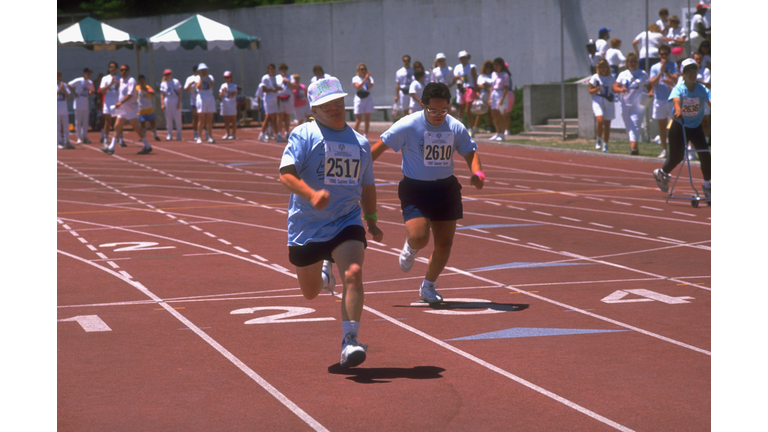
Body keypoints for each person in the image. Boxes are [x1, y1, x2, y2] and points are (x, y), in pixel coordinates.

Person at [278, 76, 383, 368]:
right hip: (307, 225)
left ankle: (350, 341)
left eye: (339, 102)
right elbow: (285, 174)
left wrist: (371, 219)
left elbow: (368, 185)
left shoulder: (360, 143)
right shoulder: (304, 135)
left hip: (346, 220)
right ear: (314, 109)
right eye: (327, 105)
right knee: (310, 293)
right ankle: (325, 276)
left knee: (353, 272)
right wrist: (312, 195)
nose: (336, 109)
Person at [370, 82, 484, 304]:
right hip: (415, 189)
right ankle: (412, 246)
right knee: (420, 237)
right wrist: (358, 173)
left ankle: (428, 286)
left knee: (444, 244)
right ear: (423, 105)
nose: (439, 115)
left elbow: (470, 152)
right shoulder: (408, 125)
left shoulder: (455, 127)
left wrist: (478, 173)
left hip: (446, 189)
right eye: (433, 110)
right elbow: (377, 148)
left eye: (444, 110)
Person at [652, 58, 711, 199]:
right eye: (688, 71)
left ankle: (708, 186)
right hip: (680, 125)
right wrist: (678, 110)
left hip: (696, 127)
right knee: (677, 156)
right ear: (682, 73)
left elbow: (710, 100)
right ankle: (661, 172)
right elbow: (676, 100)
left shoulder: (702, 89)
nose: (692, 73)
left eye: (694, 70)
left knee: (705, 155)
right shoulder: (679, 88)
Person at [101, 64, 152, 155]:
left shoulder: (131, 80)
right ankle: (111, 148)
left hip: (130, 108)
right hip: (123, 109)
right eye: (121, 70)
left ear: (128, 71)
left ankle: (147, 146)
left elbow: (130, 94)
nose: (123, 71)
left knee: (137, 128)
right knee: (117, 126)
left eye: (125, 70)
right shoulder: (121, 80)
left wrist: (121, 102)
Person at [614, 53, 651, 155]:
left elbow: (649, 86)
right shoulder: (623, 74)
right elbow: (615, 87)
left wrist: (650, 93)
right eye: (630, 61)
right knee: (629, 126)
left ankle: (633, 149)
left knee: (635, 124)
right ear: (627, 63)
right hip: (626, 103)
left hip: (638, 104)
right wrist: (621, 89)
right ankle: (634, 146)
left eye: (634, 61)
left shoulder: (643, 73)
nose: (633, 63)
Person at [649, 45, 679, 159]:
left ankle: (674, 149)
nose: (664, 56)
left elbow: (676, 79)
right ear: (659, 55)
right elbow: (652, 82)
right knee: (661, 125)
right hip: (659, 100)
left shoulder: (673, 65)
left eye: (666, 54)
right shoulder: (654, 67)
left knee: (674, 126)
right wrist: (660, 71)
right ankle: (664, 149)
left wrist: (666, 71)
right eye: (662, 54)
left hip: (671, 100)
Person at [589, 60, 616, 153]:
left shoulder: (611, 78)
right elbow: (590, 91)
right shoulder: (595, 77)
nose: (603, 69)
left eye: (604, 67)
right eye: (601, 67)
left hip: (608, 100)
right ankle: (598, 139)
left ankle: (606, 145)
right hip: (598, 99)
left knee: (607, 124)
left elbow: (615, 88)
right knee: (600, 120)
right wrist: (597, 89)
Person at [454, 50, 478, 136]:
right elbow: (456, 79)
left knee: (468, 110)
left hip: (470, 88)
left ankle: (470, 128)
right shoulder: (457, 68)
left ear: (467, 58)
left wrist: (477, 90)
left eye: (465, 57)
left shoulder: (472, 67)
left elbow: (475, 79)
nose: (463, 59)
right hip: (461, 89)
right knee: (460, 109)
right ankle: (459, 129)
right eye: (461, 58)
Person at [67, 67, 94, 144]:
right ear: (84, 74)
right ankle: (79, 138)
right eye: (88, 73)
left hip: (85, 103)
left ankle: (84, 136)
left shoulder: (90, 82)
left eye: (90, 74)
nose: (89, 75)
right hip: (78, 103)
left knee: (85, 121)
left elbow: (92, 90)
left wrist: (90, 93)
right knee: (78, 121)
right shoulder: (79, 80)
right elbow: (69, 84)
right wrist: (74, 93)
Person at [489, 57, 511, 141]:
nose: (496, 66)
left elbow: (506, 88)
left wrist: (502, 99)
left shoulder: (505, 75)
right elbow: (491, 87)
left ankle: (502, 133)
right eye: (495, 65)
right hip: (494, 93)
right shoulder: (493, 74)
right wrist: (490, 98)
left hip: (501, 93)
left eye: (497, 65)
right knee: (494, 115)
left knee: (501, 114)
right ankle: (497, 132)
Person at [99, 61, 121, 146]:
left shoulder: (119, 78)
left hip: (117, 103)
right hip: (108, 103)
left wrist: (118, 84)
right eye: (111, 67)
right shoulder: (105, 78)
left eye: (115, 66)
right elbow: (101, 90)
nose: (113, 68)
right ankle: (105, 139)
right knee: (108, 122)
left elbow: (123, 90)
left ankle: (119, 139)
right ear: (109, 69)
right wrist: (111, 84)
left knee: (118, 122)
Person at [258, 64, 281, 143]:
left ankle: (262, 134)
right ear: (268, 70)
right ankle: (277, 135)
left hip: (274, 100)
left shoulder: (275, 78)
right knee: (273, 118)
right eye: (270, 69)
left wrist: (278, 89)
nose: (271, 70)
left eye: (273, 69)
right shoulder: (265, 78)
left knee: (269, 118)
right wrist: (274, 89)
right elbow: (264, 90)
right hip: (268, 100)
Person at [276, 64, 298, 142]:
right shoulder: (277, 77)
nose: (283, 70)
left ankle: (286, 131)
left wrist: (288, 82)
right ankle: (278, 133)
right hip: (280, 98)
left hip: (288, 99)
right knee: (280, 116)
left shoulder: (290, 77)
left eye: (285, 68)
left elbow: (294, 86)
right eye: (282, 69)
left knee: (287, 116)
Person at [195, 63, 215, 144]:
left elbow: (212, 86)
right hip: (201, 97)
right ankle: (199, 137)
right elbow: (198, 87)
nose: (203, 72)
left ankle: (210, 136)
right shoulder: (197, 78)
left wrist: (206, 78)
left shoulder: (210, 77)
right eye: (202, 71)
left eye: (205, 70)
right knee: (201, 118)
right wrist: (201, 78)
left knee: (209, 118)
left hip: (209, 97)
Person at [159, 69, 183, 141]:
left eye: (169, 74)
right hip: (167, 100)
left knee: (177, 118)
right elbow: (162, 95)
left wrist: (179, 103)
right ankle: (169, 134)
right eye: (166, 74)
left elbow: (180, 93)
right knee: (168, 118)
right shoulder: (163, 83)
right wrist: (162, 104)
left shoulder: (176, 82)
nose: (168, 76)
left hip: (175, 99)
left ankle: (179, 134)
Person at [136, 75, 161, 142]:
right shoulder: (137, 88)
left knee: (152, 122)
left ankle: (155, 135)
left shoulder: (147, 87)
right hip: (141, 109)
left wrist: (147, 90)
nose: (142, 82)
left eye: (143, 81)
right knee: (142, 123)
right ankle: (143, 136)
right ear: (139, 81)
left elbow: (153, 93)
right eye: (141, 81)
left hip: (149, 108)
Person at [352, 63, 374, 137]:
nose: (363, 71)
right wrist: (365, 79)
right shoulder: (355, 78)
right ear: (358, 70)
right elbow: (358, 87)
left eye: (364, 69)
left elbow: (370, 87)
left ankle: (365, 135)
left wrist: (367, 78)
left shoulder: (370, 78)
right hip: (359, 98)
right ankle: (354, 135)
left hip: (367, 97)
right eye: (361, 69)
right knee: (358, 119)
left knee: (367, 118)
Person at [472, 60, 494, 134]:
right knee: (480, 111)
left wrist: (488, 85)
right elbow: (477, 86)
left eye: (489, 67)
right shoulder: (481, 76)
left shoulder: (493, 75)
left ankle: (489, 127)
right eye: (486, 67)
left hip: (490, 95)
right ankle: (475, 127)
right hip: (482, 95)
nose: (488, 68)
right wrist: (479, 90)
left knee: (490, 112)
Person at [57, 71, 74, 149]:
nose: (58, 77)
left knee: (66, 126)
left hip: (64, 108)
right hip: (56, 109)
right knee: (57, 126)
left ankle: (67, 141)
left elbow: (67, 96)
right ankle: (58, 142)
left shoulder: (64, 85)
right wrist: (60, 88)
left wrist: (63, 89)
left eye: (59, 76)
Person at [219, 71, 238, 140]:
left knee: (233, 119)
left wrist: (227, 91)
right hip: (224, 103)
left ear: (231, 78)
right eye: (225, 77)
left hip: (231, 104)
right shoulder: (223, 85)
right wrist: (222, 92)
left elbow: (232, 95)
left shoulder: (234, 85)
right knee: (226, 120)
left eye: (228, 77)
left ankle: (234, 134)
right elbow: (220, 96)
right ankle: (227, 133)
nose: (226, 79)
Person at [394, 55, 413, 121]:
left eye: (407, 61)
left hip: (411, 92)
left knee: (412, 109)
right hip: (403, 92)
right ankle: (406, 123)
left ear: (410, 61)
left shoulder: (413, 71)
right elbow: (398, 84)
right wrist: (396, 96)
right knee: (405, 110)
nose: (406, 62)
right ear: (403, 62)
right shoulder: (399, 72)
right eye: (405, 61)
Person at [184, 65, 200, 142]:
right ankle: (195, 133)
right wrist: (191, 83)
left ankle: (206, 133)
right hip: (194, 100)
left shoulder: (202, 78)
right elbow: (186, 90)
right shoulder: (190, 78)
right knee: (195, 117)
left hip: (201, 99)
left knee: (204, 117)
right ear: (194, 72)